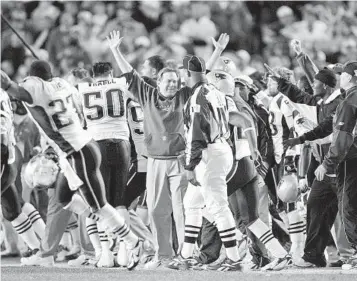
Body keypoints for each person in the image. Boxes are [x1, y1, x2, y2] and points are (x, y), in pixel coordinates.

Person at [0, 60, 143, 271]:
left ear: (35, 80)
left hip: (79, 152)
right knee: (63, 197)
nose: (24, 84)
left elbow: (11, 86)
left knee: (100, 205)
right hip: (77, 149)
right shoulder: (62, 85)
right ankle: (105, 224)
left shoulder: (35, 89)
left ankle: (133, 242)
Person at [107, 30, 229, 269]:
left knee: (183, 210)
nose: (173, 84)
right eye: (168, 80)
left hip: (181, 161)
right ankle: (163, 255)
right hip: (154, 161)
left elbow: (200, 76)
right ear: (159, 82)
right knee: (156, 210)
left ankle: (185, 256)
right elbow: (129, 74)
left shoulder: (185, 94)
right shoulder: (147, 94)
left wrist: (218, 52)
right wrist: (115, 50)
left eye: (175, 80)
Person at [314, 61, 357, 270]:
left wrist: (327, 164)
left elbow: (342, 139)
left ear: (348, 77)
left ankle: (354, 253)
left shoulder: (348, 101)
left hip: (351, 160)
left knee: (348, 206)